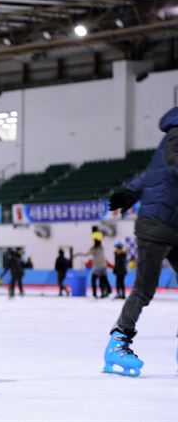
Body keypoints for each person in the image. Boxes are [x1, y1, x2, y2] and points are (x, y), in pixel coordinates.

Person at [102, 106, 178, 377]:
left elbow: (151, 173)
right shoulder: (176, 135)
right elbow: (172, 164)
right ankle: (118, 343)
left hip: (172, 226)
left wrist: (130, 192)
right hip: (156, 225)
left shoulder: (170, 135)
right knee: (144, 289)